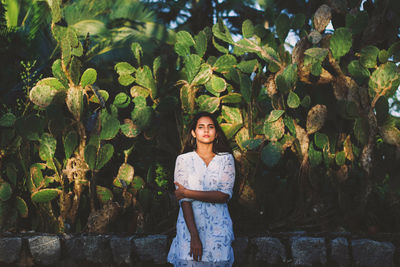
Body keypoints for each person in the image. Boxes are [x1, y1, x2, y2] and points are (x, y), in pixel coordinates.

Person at [167, 112, 236, 267]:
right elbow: (184, 201)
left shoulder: (226, 159)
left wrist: (187, 192)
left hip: (219, 228)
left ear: (216, 132)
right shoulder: (183, 160)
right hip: (189, 229)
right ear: (194, 132)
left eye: (210, 127)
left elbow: (224, 195)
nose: (206, 131)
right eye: (201, 127)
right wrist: (194, 236)